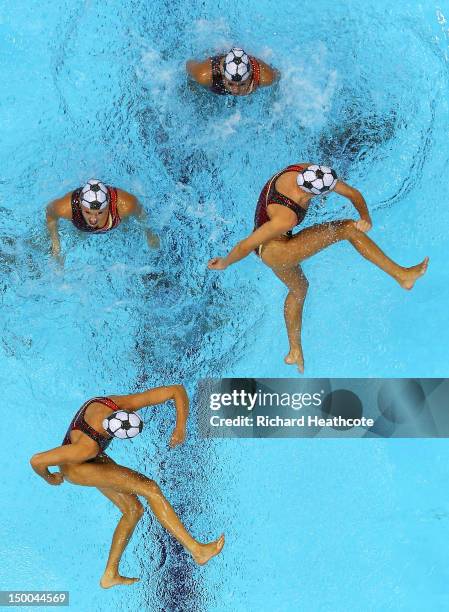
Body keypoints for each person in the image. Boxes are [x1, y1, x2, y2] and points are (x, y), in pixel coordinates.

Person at [207, 163, 429, 372]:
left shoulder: (306, 170)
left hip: (277, 247)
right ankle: (402, 275)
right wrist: (225, 262)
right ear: (311, 194)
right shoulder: (286, 217)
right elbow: (248, 244)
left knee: (299, 289)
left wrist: (366, 217)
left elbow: (352, 193)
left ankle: (294, 350)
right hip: (275, 251)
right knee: (347, 229)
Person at [30, 385, 224, 588]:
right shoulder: (86, 448)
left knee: (134, 509)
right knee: (150, 488)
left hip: (92, 458)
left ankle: (110, 575)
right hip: (76, 468)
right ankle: (197, 550)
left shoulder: (115, 403)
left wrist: (180, 427)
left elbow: (176, 390)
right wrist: (50, 478)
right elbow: (36, 461)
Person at [46, 179, 160, 263]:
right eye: (88, 212)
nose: (93, 219)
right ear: (80, 205)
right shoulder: (65, 208)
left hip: (116, 220)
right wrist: (56, 245)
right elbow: (50, 215)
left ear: (108, 205)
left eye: (100, 212)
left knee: (126, 227)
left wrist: (149, 234)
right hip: (80, 227)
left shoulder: (125, 205)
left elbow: (140, 213)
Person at [186, 47, 278, 96]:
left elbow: (278, 75)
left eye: (242, 84)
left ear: (250, 75)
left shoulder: (265, 77)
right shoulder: (204, 75)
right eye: (230, 84)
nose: (236, 91)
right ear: (222, 73)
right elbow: (188, 65)